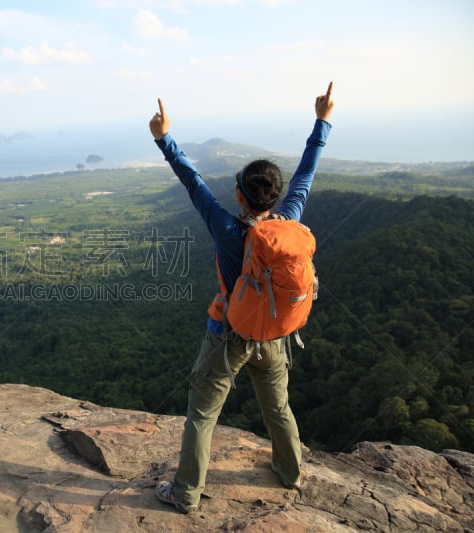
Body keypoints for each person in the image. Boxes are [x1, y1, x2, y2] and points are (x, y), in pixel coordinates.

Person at [149, 82, 335, 513]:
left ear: (239, 194)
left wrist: (164, 137)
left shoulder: (227, 229)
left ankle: (185, 494)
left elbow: (191, 180)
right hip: (272, 335)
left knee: (201, 415)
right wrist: (322, 120)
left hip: (227, 337)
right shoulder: (288, 220)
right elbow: (306, 173)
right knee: (279, 408)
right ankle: (290, 473)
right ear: (275, 196)